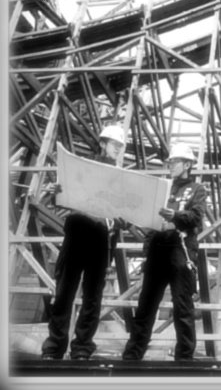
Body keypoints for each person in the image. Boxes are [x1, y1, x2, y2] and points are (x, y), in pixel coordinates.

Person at [41, 124, 127, 360]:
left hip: (100, 236)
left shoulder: (121, 178)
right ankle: (54, 347)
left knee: (92, 297)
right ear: (102, 143)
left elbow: (126, 215)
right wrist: (55, 191)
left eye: (120, 147)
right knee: (64, 293)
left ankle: (82, 347)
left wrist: (124, 219)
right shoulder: (81, 167)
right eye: (114, 145)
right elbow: (61, 200)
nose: (118, 150)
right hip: (78, 230)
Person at [122, 143, 207, 361]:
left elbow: (197, 217)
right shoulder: (162, 189)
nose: (170, 165)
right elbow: (149, 220)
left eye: (174, 162)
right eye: (169, 162)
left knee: (183, 307)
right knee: (145, 306)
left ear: (187, 164)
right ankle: (132, 356)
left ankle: (184, 360)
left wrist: (176, 216)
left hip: (180, 250)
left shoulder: (197, 189)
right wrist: (147, 251)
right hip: (158, 250)